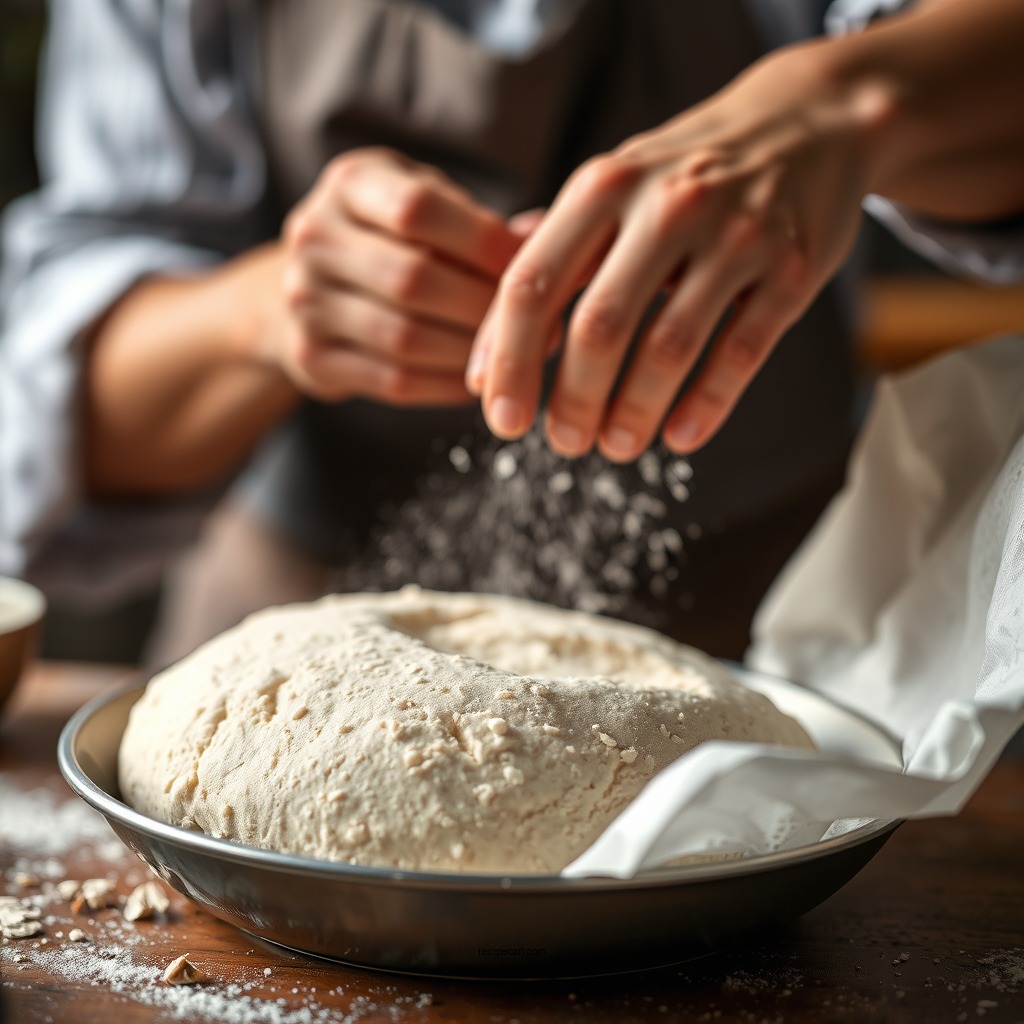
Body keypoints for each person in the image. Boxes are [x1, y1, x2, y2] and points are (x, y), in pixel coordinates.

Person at [1, 0, 1022, 665]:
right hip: (280, 639)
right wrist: (269, 311)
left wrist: (841, 105)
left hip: (779, 640)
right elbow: (73, 423)